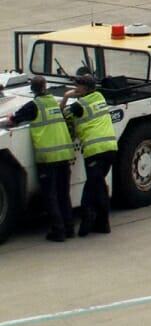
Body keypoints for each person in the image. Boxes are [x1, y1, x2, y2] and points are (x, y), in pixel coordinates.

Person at [16, 75, 78, 242]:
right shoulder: (54, 103)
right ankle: (70, 228)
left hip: (48, 158)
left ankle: (58, 231)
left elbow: (15, 119)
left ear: (33, 90)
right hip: (64, 156)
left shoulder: (34, 105)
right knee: (64, 194)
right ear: (46, 87)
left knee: (50, 195)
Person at [66, 72, 118, 237]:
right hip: (110, 148)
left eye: (78, 85)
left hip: (95, 151)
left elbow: (63, 114)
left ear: (85, 88)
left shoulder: (80, 105)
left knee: (90, 188)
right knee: (99, 185)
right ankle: (103, 224)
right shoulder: (99, 97)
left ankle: (86, 224)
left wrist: (67, 96)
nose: (75, 88)